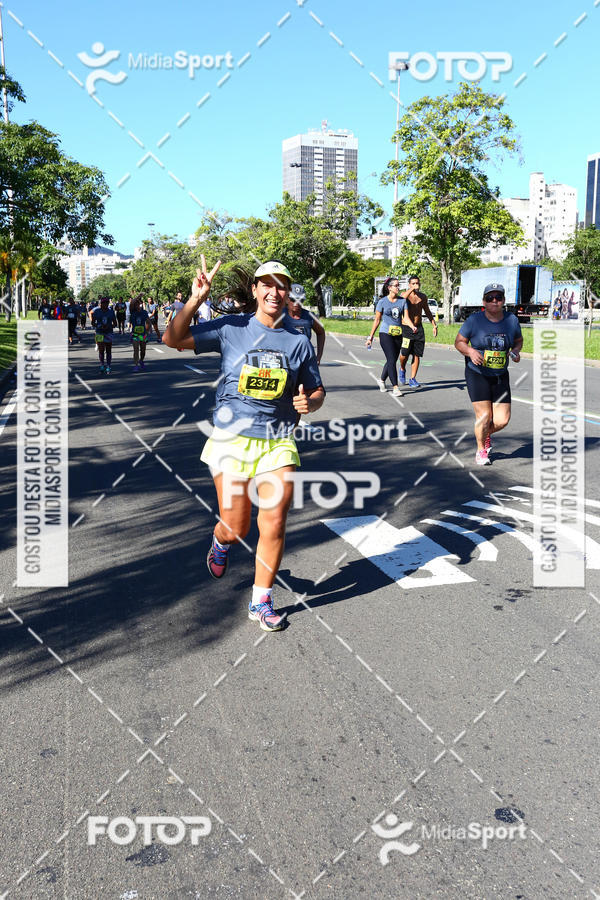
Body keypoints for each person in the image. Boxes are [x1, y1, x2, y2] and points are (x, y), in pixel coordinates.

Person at [163, 258, 326, 632]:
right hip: (232, 438)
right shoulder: (230, 328)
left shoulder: (298, 342)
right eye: (266, 284)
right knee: (236, 526)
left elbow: (316, 390)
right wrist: (195, 300)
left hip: (277, 440)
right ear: (254, 290)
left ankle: (261, 601)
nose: (274, 291)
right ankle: (221, 541)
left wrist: (311, 403)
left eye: (281, 285)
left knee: (274, 519)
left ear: (288, 292)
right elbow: (172, 339)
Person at [454, 282, 523, 466]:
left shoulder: (511, 320)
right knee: (484, 416)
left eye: (498, 297)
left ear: (503, 300)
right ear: (484, 301)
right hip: (477, 373)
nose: (494, 301)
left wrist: (516, 351)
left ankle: (484, 434)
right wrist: (470, 351)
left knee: (502, 420)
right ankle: (481, 450)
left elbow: (518, 340)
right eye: (490, 298)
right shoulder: (474, 320)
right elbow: (459, 342)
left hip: (500, 375)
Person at [365, 277, 405, 396]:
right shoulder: (382, 302)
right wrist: (370, 337)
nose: (398, 287)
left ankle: (381, 380)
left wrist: (412, 326)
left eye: (398, 285)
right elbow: (377, 320)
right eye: (396, 285)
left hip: (398, 334)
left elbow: (406, 318)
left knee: (392, 360)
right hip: (385, 333)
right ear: (389, 288)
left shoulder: (402, 301)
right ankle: (395, 387)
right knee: (392, 360)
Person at [399, 275, 438, 387]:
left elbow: (427, 311)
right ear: (409, 285)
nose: (416, 285)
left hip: (418, 328)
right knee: (404, 354)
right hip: (406, 328)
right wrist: (411, 289)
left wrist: (434, 325)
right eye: (413, 283)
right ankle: (402, 369)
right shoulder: (404, 295)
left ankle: (412, 378)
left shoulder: (423, 297)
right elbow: (401, 299)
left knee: (417, 354)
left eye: (417, 283)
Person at [283, 283, 325, 364]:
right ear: (287, 299)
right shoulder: (279, 315)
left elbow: (321, 332)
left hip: (306, 360)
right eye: (293, 299)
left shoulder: (309, 316)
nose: (297, 303)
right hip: (285, 361)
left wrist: (319, 356)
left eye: (300, 300)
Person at [91, 296, 117, 375]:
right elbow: (93, 323)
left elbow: (115, 324)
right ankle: (102, 365)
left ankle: (108, 366)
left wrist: (109, 326)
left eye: (106, 303)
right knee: (101, 350)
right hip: (99, 332)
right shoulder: (97, 311)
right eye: (103, 303)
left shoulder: (111, 312)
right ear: (100, 303)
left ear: (108, 303)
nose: (105, 304)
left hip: (108, 332)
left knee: (108, 350)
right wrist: (99, 326)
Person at [128, 294, 151, 371]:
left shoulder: (144, 312)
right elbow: (132, 303)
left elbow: (148, 322)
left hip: (143, 334)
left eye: (139, 304)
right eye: (136, 304)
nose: (137, 306)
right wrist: (138, 296)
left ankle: (141, 360)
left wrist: (147, 331)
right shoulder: (132, 312)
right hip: (135, 334)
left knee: (143, 350)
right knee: (136, 349)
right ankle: (136, 365)